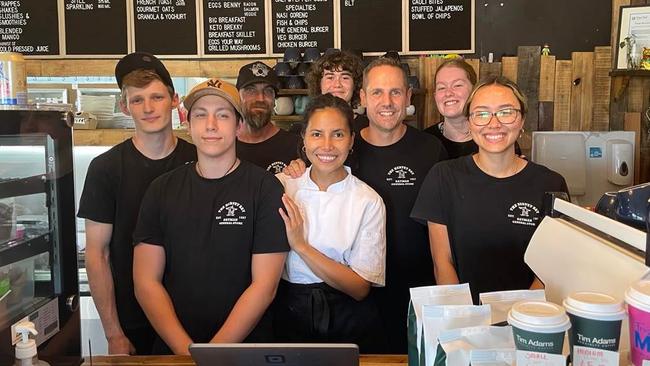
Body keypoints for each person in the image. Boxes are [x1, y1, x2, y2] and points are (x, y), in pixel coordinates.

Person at [285, 57, 447, 353]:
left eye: (396, 92)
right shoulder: (342, 150)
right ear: (362, 98)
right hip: (355, 294)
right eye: (377, 92)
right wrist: (295, 170)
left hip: (414, 287)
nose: (387, 101)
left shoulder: (430, 149)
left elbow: (442, 225)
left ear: (408, 97)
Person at [132, 78, 289, 355]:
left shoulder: (265, 188)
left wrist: (212, 354)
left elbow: (264, 286)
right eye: (201, 115)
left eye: (223, 115)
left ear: (239, 125)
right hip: (175, 351)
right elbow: (146, 282)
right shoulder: (161, 189)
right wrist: (187, 352)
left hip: (246, 351)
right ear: (188, 123)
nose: (211, 125)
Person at [77, 52, 197, 355]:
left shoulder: (198, 160)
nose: (148, 108)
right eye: (137, 100)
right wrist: (114, 332)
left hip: (196, 317)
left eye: (156, 97)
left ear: (174, 100)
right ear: (123, 106)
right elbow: (97, 254)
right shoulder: (105, 168)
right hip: (133, 322)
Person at [411, 76, 569, 304]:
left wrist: (521, 318)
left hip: (529, 321)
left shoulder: (551, 184)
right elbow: (442, 261)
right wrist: (465, 319)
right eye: (482, 114)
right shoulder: (443, 176)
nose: (493, 124)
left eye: (506, 112)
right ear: (470, 122)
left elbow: (550, 268)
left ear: (522, 119)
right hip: (464, 323)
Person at [273, 94, 387, 352]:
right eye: (316, 134)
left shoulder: (368, 200)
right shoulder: (282, 186)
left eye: (337, 134)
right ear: (303, 138)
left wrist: (301, 246)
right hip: (287, 314)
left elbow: (359, 288)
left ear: (351, 140)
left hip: (348, 320)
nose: (326, 145)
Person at [423, 58, 521, 159]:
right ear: (435, 96)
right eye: (441, 88)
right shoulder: (423, 142)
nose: (448, 93)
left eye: (457, 85)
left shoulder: (494, 137)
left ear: (474, 91)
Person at [235, 61, 300, 173]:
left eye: (268, 91)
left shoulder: (296, 147)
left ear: (274, 100)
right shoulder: (223, 146)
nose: (260, 98)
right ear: (238, 97)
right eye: (251, 90)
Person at [305, 50, 367, 133]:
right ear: (318, 83)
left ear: (355, 84)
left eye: (345, 78)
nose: (337, 84)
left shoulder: (369, 127)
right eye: (330, 77)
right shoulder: (304, 127)